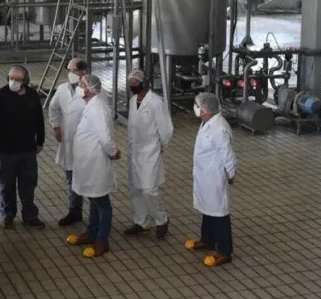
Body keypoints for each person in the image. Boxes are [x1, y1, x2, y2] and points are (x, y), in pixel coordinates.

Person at [65, 74, 120, 258]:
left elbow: (105, 137)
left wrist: (113, 152)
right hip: (87, 161)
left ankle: (102, 240)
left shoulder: (98, 108)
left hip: (96, 162)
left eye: (82, 84)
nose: (79, 86)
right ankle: (91, 233)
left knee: (102, 202)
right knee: (93, 198)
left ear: (90, 89)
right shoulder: (90, 104)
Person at [0, 66, 46, 229]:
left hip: (27, 150)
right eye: (11, 78)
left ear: (25, 81)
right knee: (7, 185)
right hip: (6, 151)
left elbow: (39, 119)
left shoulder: (32, 95)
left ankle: (29, 215)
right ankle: (8, 214)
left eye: (17, 79)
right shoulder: (0, 96)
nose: (13, 82)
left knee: (28, 185)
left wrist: (40, 141)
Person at [185, 92, 238, 267]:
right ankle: (207, 240)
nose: (195, 108)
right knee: (208, 209)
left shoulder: (218, 128)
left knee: (219, 213)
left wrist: (231, 174)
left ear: (205, 110)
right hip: (204, 175)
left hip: (214, 177)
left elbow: (227, 154)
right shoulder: (207, 122)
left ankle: (225, 251)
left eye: (197, 105)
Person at [123, 70, 174, 239]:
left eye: (135, 82)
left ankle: (161, 219)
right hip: (134, 151)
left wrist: (162, 146)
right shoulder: (132, 101)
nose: (132, 86)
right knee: (135, 189)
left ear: (144, 83)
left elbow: (166, 129)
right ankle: (141, 222)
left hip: (150, 151)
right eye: (130, 83)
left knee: (149, 189)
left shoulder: (156, 102)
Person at [48, 58, 88, 227]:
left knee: (89, 181)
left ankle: (96, 214)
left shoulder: (92, 90)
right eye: (69, 70)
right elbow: (53, 107)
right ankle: (74, 211)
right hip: (68, 142)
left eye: (73, 70)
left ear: (82, 72)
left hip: (87, 144)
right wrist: (56, 127)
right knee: (71, 180)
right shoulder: (63, 89)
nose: (70, 73)